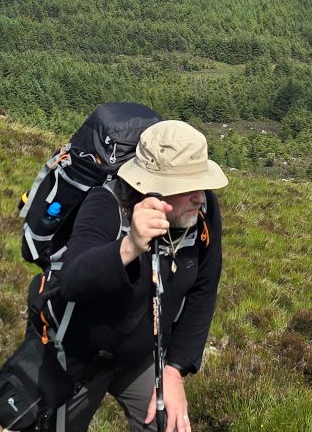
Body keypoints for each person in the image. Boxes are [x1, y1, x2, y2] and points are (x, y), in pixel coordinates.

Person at [54, 119, 226, 432]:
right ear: (155, 186)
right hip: (77, 354)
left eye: (203, 184)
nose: (201, 197)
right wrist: (130, 245)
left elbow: (204, 288)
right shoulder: (105, 203)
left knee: (168, 426)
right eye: (189, 187)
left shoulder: (203, 210)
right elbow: (72, 280)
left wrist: (174, 370)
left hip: (142, 358)